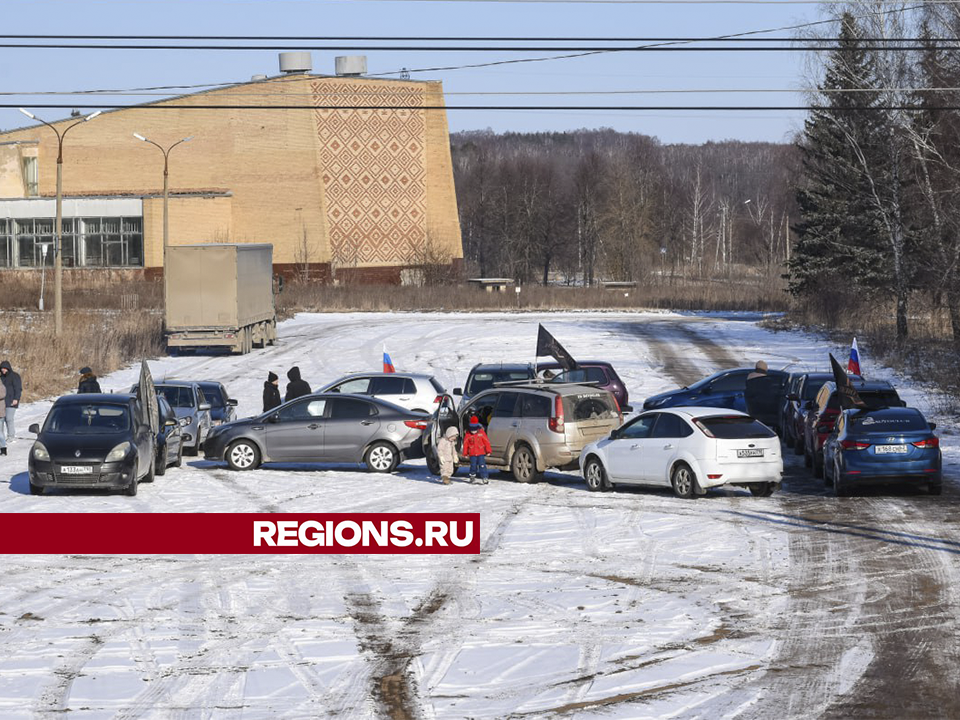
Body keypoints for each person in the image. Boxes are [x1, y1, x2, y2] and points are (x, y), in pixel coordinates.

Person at [462, 415, 491, 485]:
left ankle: (485, 477)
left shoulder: (481, 433)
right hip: (472, 454)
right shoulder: (468, 434)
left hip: (481, 453)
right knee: (473, 466)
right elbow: (465, 444)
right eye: (472, 429)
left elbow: (486, 442)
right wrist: (465, 453)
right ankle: (472, 476)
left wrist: (488, 451)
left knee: (482, 465)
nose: (473, 431)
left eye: (475, 430)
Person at [0, 361, 21, 442]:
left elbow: (18, 388)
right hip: (2, 402)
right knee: (3, 419)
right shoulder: (1, 377)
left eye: (5, 369)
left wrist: (16, 398)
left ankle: (11, 436)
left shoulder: (15, 376)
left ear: (8, 368)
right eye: (2, 369)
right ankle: (2, 437)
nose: (3, 370)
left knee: (9, 419)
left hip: (12, 401)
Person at [0, 379, 6, 456]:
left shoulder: (1, 386)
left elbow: (2, 395)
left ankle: (3, 448)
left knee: (0, 432)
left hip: (0, 413)